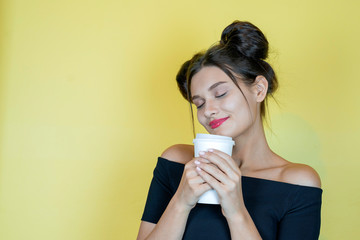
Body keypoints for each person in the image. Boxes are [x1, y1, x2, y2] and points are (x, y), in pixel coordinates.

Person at [137, 20, 322, 240]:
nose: (209, 111)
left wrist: (236, 211)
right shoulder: (176, 163)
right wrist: (180, 201)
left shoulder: (297, 182)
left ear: (259, 89)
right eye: (199, 103)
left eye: (221, 93)